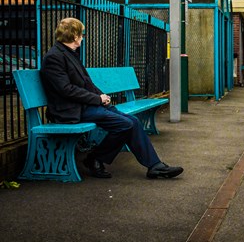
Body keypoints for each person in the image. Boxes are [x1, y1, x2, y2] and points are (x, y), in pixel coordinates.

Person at [39, 17, 183, 180]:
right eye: (81, 34)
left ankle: (155, 166)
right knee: (125, 124)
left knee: (133, 121)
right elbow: (66, 90)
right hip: (70, 110)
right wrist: (97, 99)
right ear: (74, 35)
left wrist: (102, 96)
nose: (82, 37)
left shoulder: (69, 54)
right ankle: (95, 158)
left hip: (85, 105)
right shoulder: (54, 57)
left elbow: (86, 83)